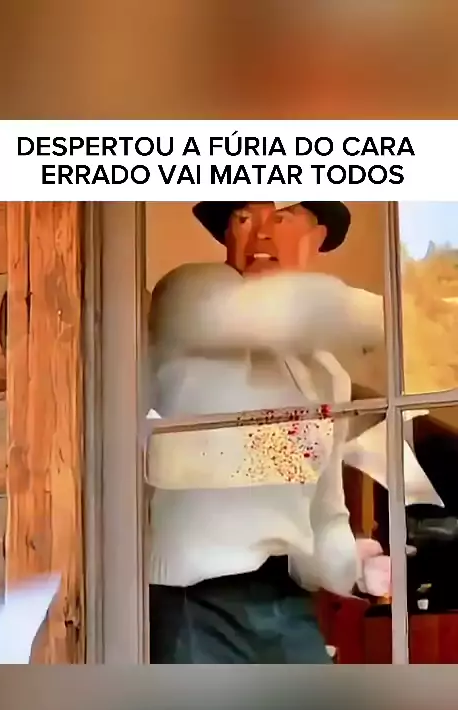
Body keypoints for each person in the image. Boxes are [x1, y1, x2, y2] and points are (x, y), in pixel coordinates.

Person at [147, 202, 396, 663]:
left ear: (317, 236)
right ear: (227, 235)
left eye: (281, 215)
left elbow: (323, 511)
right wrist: (409, 313)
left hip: (286, 604)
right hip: (194, 599)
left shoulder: (327, 376)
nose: (261, 232)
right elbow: (287, 311)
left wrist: (356, 568)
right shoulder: (189, 295)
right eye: (243, 217)